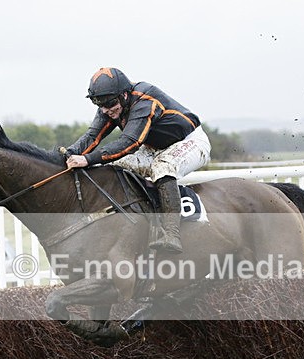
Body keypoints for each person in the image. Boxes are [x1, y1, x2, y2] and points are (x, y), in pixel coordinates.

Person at [64, 67, 211, 254]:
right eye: (100, 105)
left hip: (190, 141)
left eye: (109, 103)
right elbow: (93, 136)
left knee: (162, 167)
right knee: (112, 166)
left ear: (125, 95)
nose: (105, 110)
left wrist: (87, 159)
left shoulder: (144, 101)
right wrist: (68, 154)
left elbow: (129, 143)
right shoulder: (111, 106)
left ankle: (172, 234)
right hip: (153, 147)